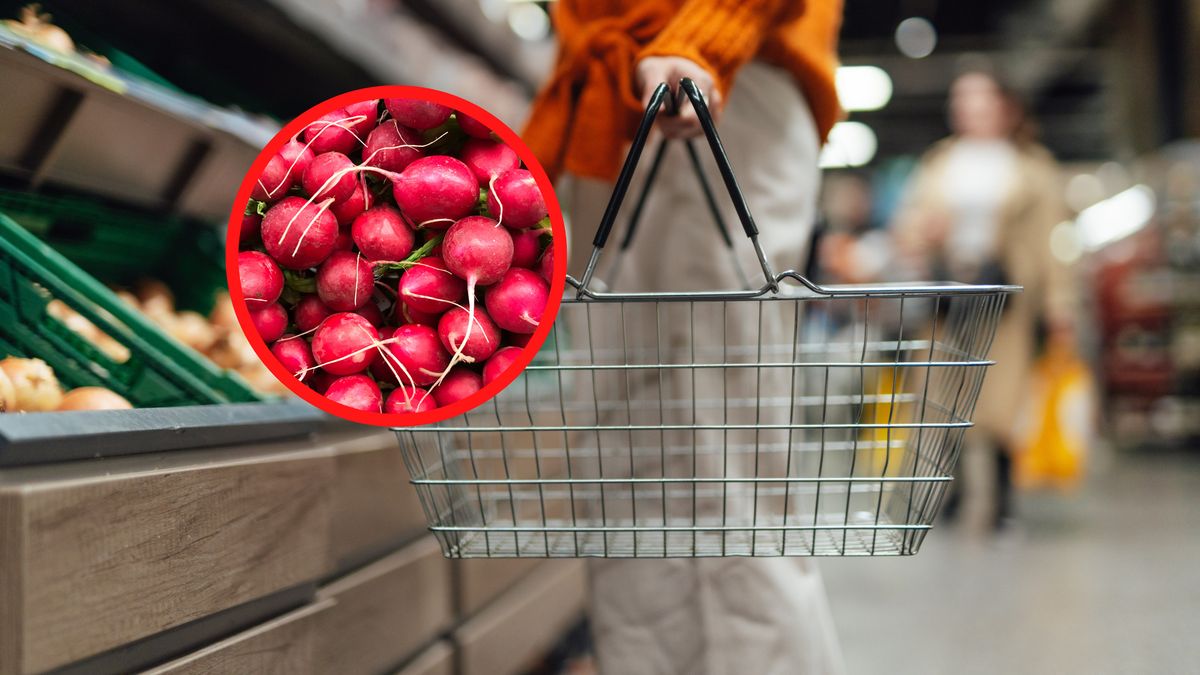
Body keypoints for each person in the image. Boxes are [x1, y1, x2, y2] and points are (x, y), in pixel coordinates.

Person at [523, 2, 846, 673]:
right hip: (610, 94)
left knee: (727, 445)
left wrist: (705, 39)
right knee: (622, 451)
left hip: (723, 71)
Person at [891, 69, 1076, 531]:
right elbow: (908, 224)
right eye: (961, 99)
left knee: (1002, 399)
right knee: (943, 397)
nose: (968, 108)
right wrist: (921, 234)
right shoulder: (940, 162)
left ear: (1002, 106)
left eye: (978, 99)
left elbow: (1053, 243)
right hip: (949, 294)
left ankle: (1002, 501)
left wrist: (1060, 304)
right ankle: (947, 498)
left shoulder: (1032, 167)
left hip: (1006, 296)